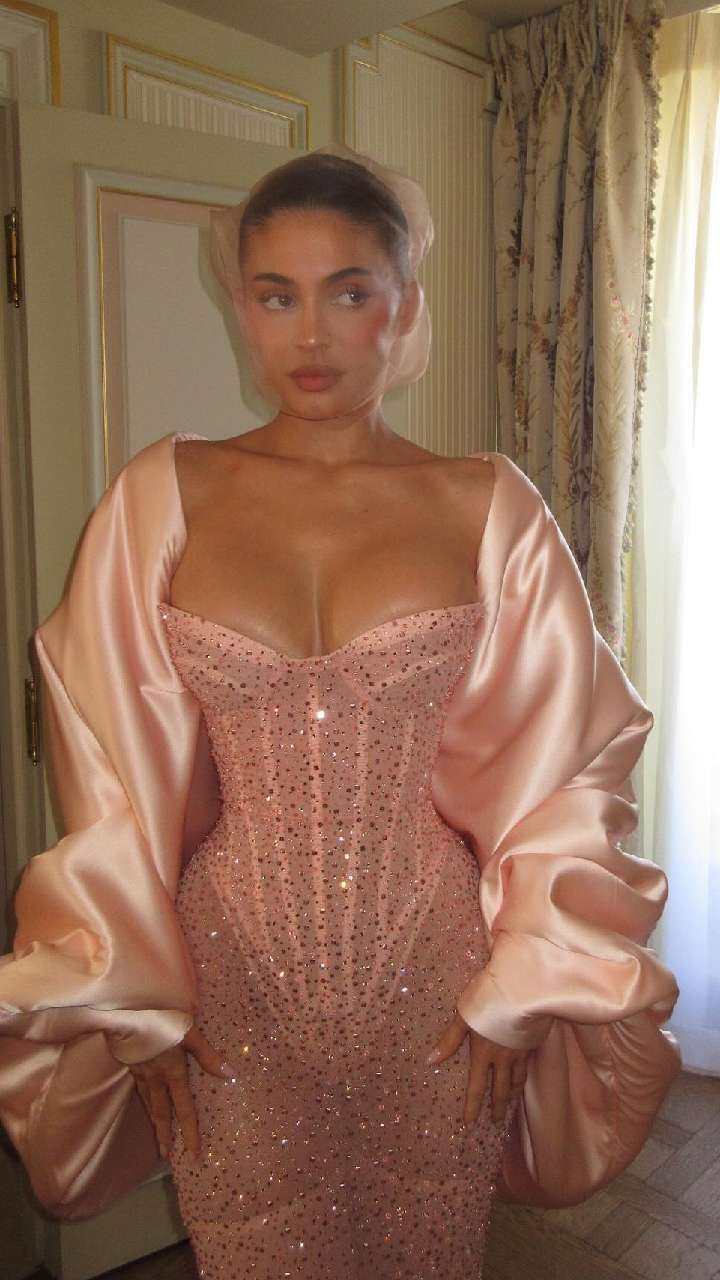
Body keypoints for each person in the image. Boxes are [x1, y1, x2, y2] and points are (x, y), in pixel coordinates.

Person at [0, 145, 681, 1279]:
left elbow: (566, 769)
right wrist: (130, 989)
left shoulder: (487, 505)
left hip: (439, 987)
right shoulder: (160, 497)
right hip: (229, 991)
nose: (311, 335)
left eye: (349, 292)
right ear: (242, 307)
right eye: (277, 296)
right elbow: (107, 772)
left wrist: (525, 978)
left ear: (403, 305)